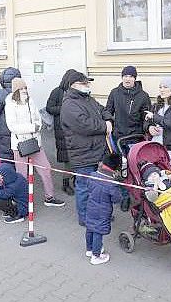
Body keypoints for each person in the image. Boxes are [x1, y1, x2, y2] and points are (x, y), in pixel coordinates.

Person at [60, 71, 113, 226]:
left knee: (99, 187)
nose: (88, 86)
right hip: (82, 154)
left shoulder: (88, 99)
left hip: (97, 151)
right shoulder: (69, 104)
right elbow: (84, 125)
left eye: (88, 83)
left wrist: (108, 119)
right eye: (84, 83)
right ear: (74, 85)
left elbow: (103, 110)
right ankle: (85, 218)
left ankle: (100, 214)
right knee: (83, 188)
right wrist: (105, 126)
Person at [5, 77, 65, 207]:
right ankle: (22, 200)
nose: (24, 90)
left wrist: (38, 125)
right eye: (21, 88)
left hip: (35, 143)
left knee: (46, 169)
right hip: (20, 145)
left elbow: (38, 118)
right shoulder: (10, 104)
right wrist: (32, 128)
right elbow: (12, 126)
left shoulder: (30, 101)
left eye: (25, 88)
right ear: (15, 90)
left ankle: (49, 197)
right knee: (21, 175)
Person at [145, 77, 171, 186]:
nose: (162, 90)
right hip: (156, 147)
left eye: (165, 87)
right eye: (160, 87)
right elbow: (146, 123)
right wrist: (149, 128)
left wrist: (155, 117)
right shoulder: (155, 106)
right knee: (159, 179)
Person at [85, 153, 123, 265]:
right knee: (98, 231)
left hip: (91, 206)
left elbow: (88, 187)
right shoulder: (111, 183)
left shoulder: (92, 175)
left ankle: (89, 249)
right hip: (103, 211)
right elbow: (116, 199)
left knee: (90, 228)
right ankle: (96, 256)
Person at [106, 66, 151, 152]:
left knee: (134, 163)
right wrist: (108, 122)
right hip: (118, 137)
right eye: (125, 76)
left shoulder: (143, 95)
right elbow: (108, 111)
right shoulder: (114, 93)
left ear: (135, 78)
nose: (127, 79)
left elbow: (146, 117)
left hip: (136, 138)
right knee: (121, 163)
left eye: (131, 76)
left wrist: (148, 127)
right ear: (122, 77)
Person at [46, 70, 77, 196]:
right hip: (62, 130)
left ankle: (75, 180)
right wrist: (65, 108)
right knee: (68, 159)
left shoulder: (76, 92)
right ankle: (66, 184)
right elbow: (49, 108)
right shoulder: (57, 92)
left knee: (76, 157)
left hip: (75, 129)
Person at [0, 67, 22, 160]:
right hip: (19, 128)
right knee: (19, 154)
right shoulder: (22, 92)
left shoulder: (2, 93)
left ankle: (7, 172)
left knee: (5, 154)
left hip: (4, 127)